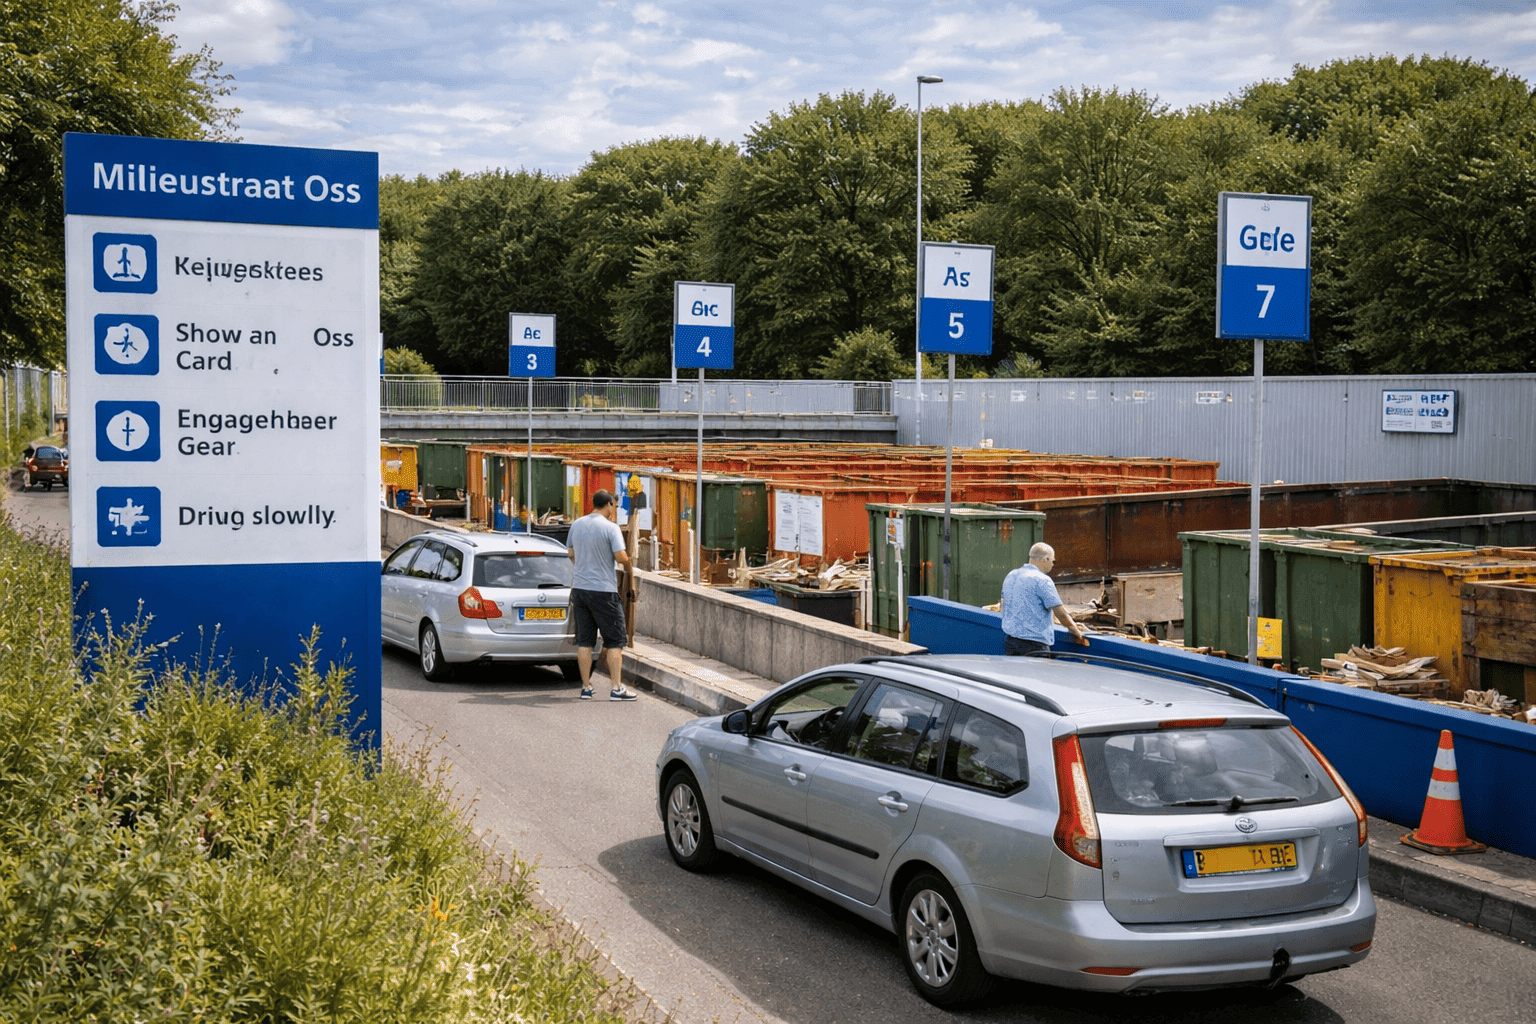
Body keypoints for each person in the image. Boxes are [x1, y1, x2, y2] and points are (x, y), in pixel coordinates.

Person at [566, 489, 639, 700]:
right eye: (613, 506)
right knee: (615, 641)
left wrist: (582, 566)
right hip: (603, 591)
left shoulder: (577, 524)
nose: (613, 510)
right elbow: (620, 555)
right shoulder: (611, 528)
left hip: (579, 589)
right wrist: (629, 568)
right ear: (608, 504)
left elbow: (570, 553)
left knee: (585, 642)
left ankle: (586, 687)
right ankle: (616, 688)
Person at [1000, 542, 1090, 656]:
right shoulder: (1042, 580)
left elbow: (1005, 605)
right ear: (1045, 559)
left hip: (1010, 640)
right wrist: (1075, 630)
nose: (1053, 565)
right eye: (1053, 561)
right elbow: (1060, 613)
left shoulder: (1011, 575)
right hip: (1034, 645)